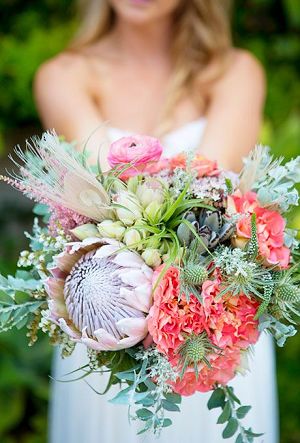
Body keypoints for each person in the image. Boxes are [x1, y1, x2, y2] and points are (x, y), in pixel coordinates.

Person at [34, 1, 278, 442]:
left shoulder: (234, 73)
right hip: (106, 323)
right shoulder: (64, 77)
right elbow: (102, 200)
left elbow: (209, 207)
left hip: (211, 335)